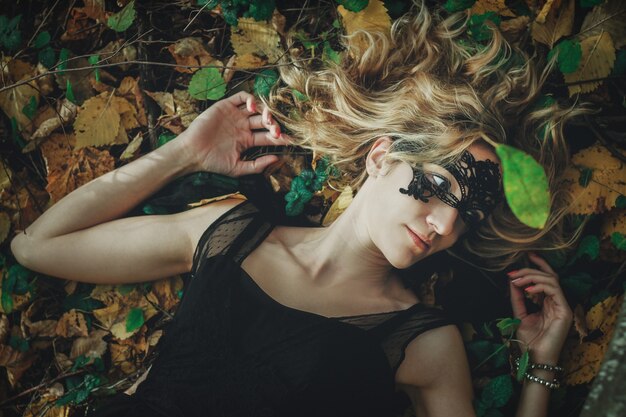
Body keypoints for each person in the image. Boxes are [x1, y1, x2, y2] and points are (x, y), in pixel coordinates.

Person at [10, 1, 592, 416]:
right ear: (381, 157)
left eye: (466, 215)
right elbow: (37, 246)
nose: (444, 225)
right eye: (438, 188)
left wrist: (541, 365)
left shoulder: (421, 342)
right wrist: (184, 153)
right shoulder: (227, 235)